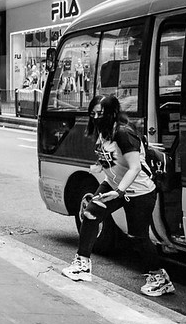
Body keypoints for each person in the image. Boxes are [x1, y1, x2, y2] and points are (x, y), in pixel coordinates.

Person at [62, 95, 175, 297]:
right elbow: (112, 157)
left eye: (100, 113)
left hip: (138, 191)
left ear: (112, 113)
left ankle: (160, 279)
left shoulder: (123, 133)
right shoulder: (104, 131)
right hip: (113, 185)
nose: (95, 117)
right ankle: (82, 265)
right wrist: (100, 166)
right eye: (92, 113)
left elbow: (135, 167)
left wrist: (119, 191)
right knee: (90, 214)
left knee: (138, 238)